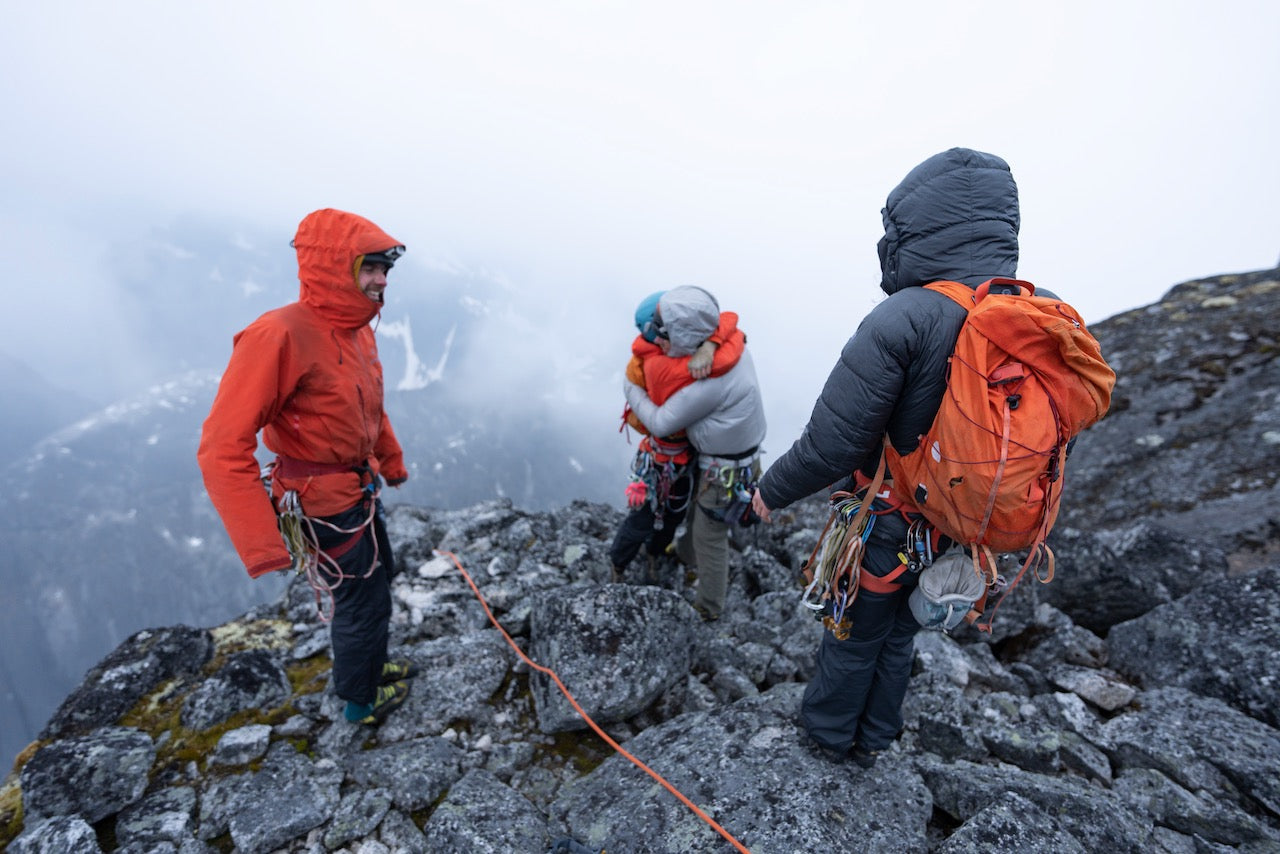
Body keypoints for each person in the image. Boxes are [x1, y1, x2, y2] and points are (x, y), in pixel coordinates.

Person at [750, 148, 1023, 767]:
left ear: (917, 227)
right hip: (962, 529)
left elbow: (835, 441)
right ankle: (874, 738)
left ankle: (827, 739)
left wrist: (770, 491)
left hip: (888, 519)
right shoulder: (1036, 314)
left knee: (854, 633)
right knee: (899, 640)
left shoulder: (910, 315)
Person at [197, 208, 419, 726]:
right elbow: (221, 445)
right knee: (361, 599)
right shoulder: (279, 335)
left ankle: (370, 667)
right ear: (334, 268)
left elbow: (368, 406)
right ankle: (360, 703)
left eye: (386, 269)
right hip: (321, 501)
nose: (382, 280)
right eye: (370, 268)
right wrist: (262, 544)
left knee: (379, 579)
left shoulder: (356, 329)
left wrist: (391, 461)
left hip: (356, 487)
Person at [623, 286, 766, 621]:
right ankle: (685, 558)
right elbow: (728, 325)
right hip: (736, 457)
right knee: (697, 515)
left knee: (709, 535)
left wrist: (630, 387)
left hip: (724, 468)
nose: (658, 340)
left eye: (665, 334)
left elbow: (659, 423)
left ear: (687, 335)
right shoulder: (728, 347)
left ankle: (708, 608)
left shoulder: (707, 382)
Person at [609, 291, 746, 583]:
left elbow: (728, 322)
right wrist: (713, 344)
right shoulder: (659, 366)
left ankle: (648, 557)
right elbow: (734, 338)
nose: (657, 339)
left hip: (675, 456)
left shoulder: (658, 353)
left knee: (668, 516)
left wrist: (709, 341)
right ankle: (620, 564)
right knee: (647, 518)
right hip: (666, 460)